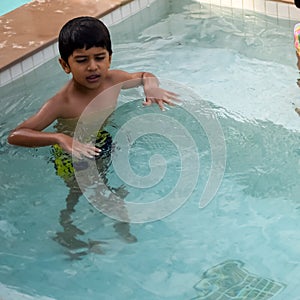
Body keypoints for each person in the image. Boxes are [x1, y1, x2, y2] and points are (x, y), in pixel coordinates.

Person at [8, 16, 177, 258]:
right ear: (65, 65)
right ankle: (69, 229)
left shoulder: (114, 80)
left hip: (102, 143)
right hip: (72, 154)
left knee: (103, 189)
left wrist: (150, 85)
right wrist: (60, 139)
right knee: (78, 193)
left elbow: (144, 74)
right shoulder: (62, 103)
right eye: (81, 60)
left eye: (99, 58)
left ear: (110, 57)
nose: (93, 67)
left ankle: (118, 226)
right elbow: (17, 135)